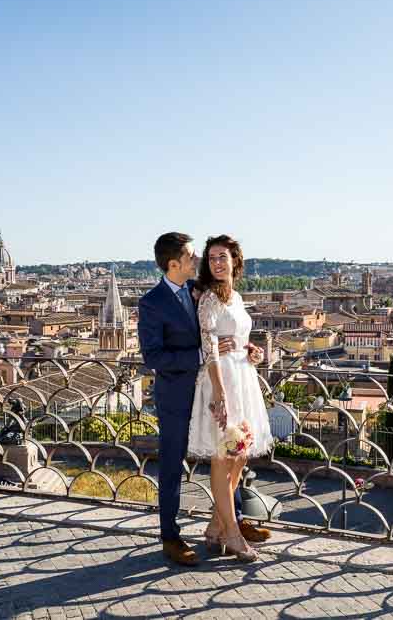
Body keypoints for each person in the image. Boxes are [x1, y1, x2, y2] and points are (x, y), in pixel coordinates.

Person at [138, 232, 269, 567]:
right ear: (174, 263)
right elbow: (154, 356)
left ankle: (227, 521)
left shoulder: (200, 290)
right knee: (172, 466)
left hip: (218, 382)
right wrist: (199, 354)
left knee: (231, 452)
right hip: (179, 395)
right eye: (192, 256)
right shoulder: (152, 302)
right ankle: (170, 536)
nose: (198, 262)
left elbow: (223, 329)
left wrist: (248, 349)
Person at [188, 234, 274, 563]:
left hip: (243, 377)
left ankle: (214, 527)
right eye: (212, 258)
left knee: (239, 455)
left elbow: (239, 338)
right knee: (222, 457)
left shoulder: (236, 297)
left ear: (235, 260)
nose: (217, 263)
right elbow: (209, 347)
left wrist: (254, 352)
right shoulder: (209, 298)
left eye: (222, 256)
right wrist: (220, 393)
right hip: (220, 380)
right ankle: (232, 534)